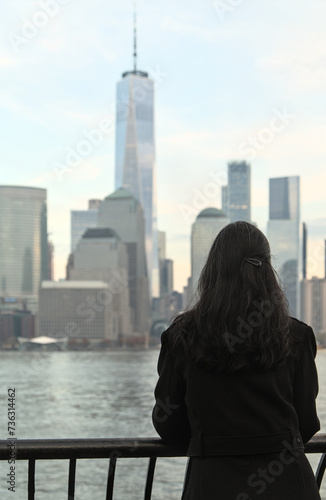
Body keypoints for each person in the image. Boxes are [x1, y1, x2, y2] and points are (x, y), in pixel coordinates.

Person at [152, 221, 320, 500]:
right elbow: (307, 422)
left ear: (213, 272)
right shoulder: (297, 336)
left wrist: (208, 443)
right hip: (288, 483)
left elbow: (168, 423)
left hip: (212, 483)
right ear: (268, 271)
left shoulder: (181, 337)